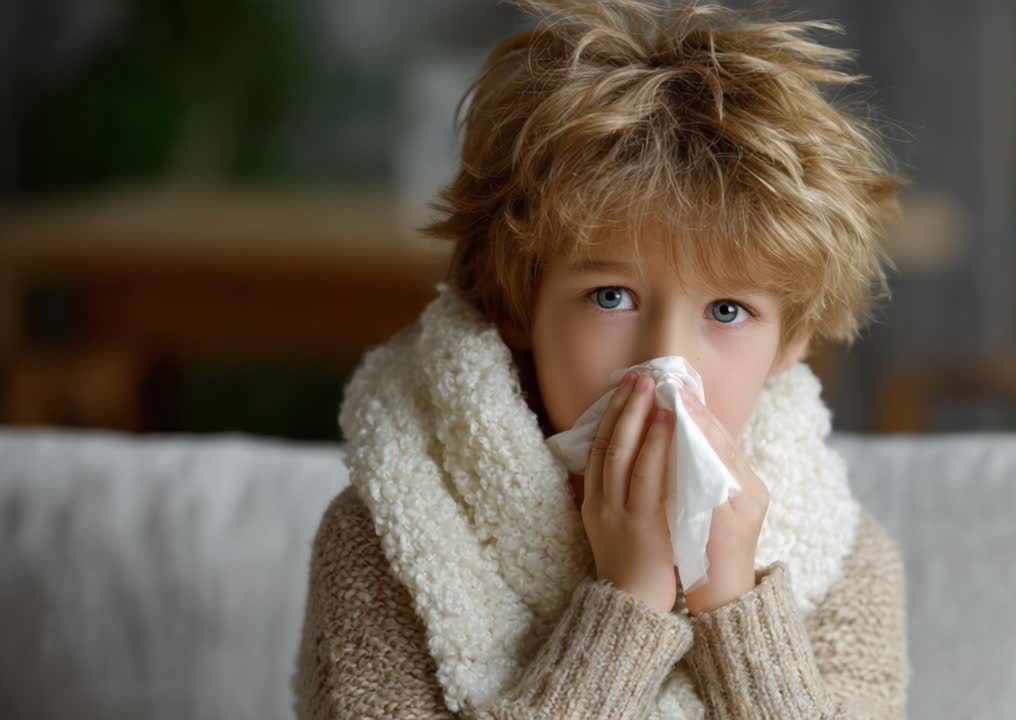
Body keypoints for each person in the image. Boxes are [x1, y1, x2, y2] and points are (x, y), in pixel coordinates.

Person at [294, 1, 907, 717]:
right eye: (611, 296)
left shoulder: (845, 565)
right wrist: (627, 607)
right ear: (514, 303)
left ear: (792, 342)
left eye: (729, 311)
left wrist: (734, 605)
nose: (665, 363)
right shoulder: (387, 541)